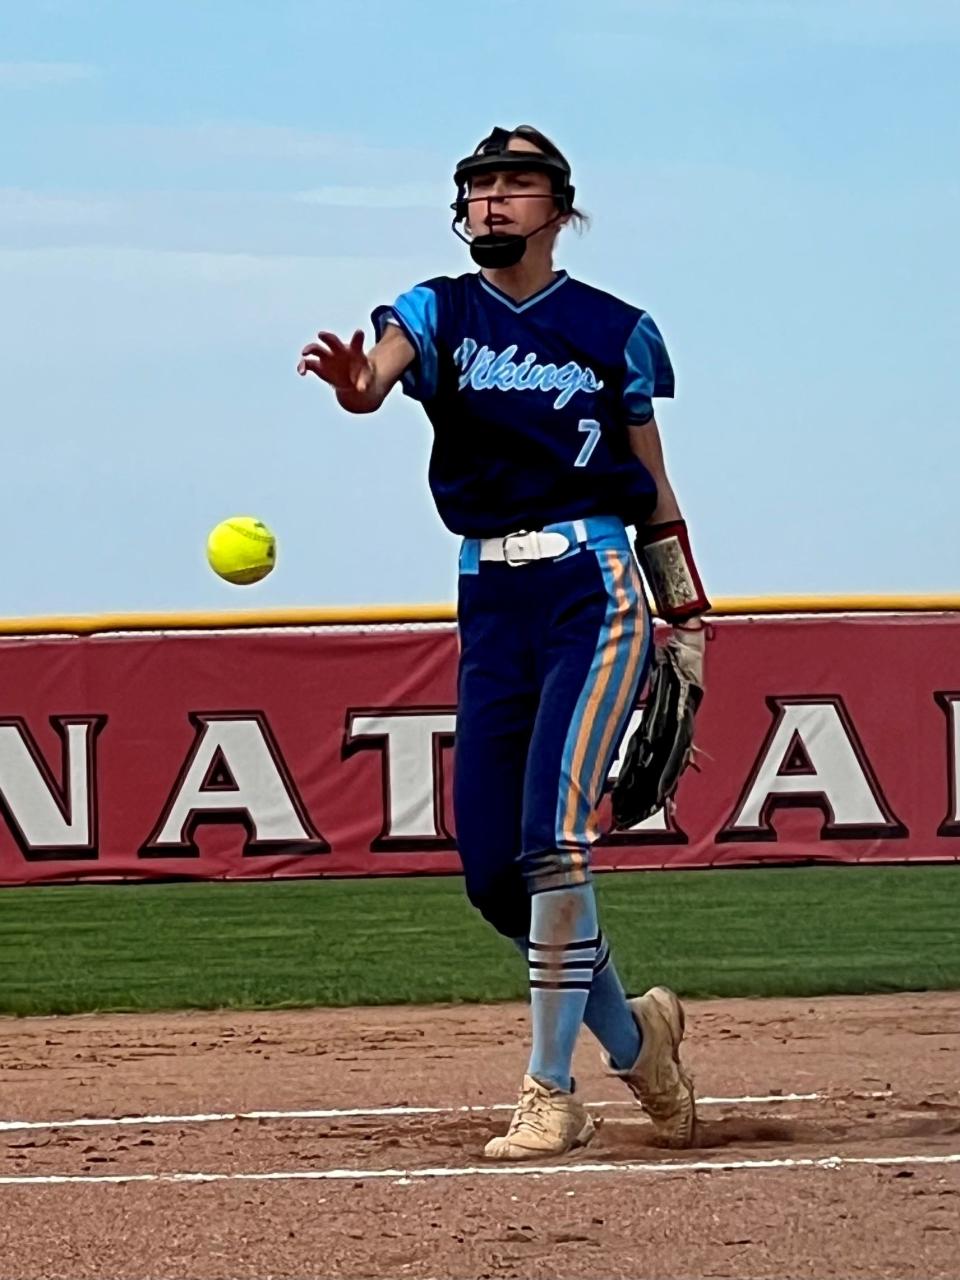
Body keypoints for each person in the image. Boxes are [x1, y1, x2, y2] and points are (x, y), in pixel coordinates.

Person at [297, 124, 710, 1161]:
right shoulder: (441, 309)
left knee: (551, 841)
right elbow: (385, 365)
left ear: (559, 207)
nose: (492, 200)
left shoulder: (613, 329)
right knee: (492, 870)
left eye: (516, 184)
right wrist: (362, 386)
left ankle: (550, 1089)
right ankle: (639, 1036)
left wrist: (688, 616)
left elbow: (649, 479)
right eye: (479, 186)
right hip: (490, 593)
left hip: (594, 586)